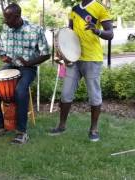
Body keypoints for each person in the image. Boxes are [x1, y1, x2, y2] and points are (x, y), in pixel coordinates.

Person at [0, 3, 50, 144]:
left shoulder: (34, 30)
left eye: (8, 18)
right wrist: (4, 57)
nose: (5, 21)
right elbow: (2, 52)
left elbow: (46, 54)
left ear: (17, 17)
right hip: (11, 65)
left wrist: (29, 63)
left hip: (28, 68)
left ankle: (21, 132)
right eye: (5, 18)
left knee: (20, 90)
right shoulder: (5, 29)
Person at [49, 0, 114, 142]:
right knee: (66, 94)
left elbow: (110, 34)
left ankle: (94, 129)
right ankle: (61, 126)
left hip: (92, 59)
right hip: (74, 58)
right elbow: (69, 33)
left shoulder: (99, 8)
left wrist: (97, 30)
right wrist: (63, 52)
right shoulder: (74, 9)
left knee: (94, 95)